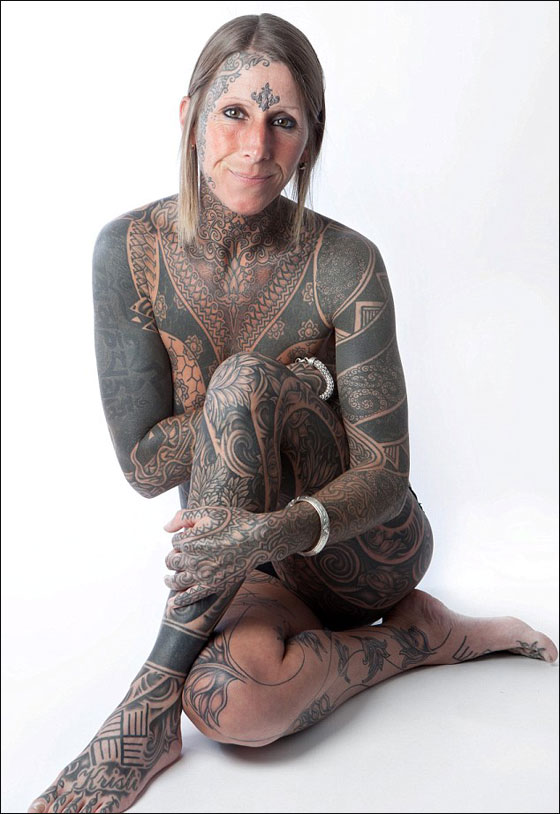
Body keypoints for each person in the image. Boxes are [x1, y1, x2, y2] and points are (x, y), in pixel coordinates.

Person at [28, 13, 557, 814]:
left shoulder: (347, 263)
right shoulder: (130, 250)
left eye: (283, 121)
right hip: (241, 567)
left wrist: (270, 471)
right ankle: (420, 638)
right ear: (190, 117)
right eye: (234, 112)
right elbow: (143, 467)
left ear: (310, 139)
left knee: (243, 380)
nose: (256, 146)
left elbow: (385, 472)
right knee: (235, 709)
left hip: (364, 548)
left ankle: (147, 699)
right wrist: (286, 387)